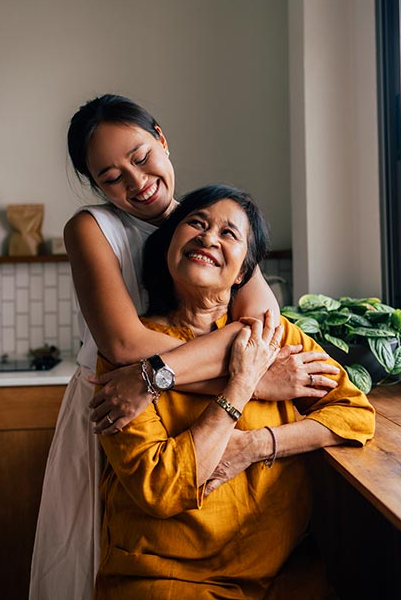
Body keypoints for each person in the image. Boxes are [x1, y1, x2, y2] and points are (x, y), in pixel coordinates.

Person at [29, 95, 340, 600]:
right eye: (110, 176)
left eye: (140, 155)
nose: (136, 181)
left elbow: (261, 328)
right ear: (95, 186)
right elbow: (125, 341)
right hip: (122, 411)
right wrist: (251, 379)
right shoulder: (90, 228)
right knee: (104, 558)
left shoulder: (215, 220)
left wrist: (169, 377)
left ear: (162, 138)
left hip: (186, 404)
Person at [94, 184, 375, 600]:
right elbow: (162, 487)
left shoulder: (274, 337)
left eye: (230, 233)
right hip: (165, 580)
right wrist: (243, 385)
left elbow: (354, 413)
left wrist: (257, 445)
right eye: (196, 223)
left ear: (245, 271)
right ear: (169, 245)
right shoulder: (131, 358)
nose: (209, 237)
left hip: (284, 573)